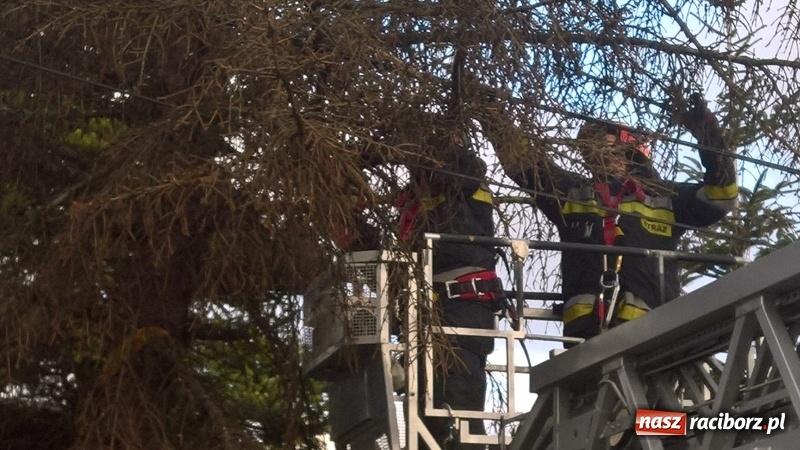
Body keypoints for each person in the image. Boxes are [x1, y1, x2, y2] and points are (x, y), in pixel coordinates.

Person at [484, 93, 737, 342]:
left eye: (611, 150)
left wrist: (708, 134)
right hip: (585, 334)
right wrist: (492, 115)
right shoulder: (572, 193)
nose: (601, 155)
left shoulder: (668, 197)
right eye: (593, 151)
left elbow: (722, 196)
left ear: (631, 152)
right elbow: (525, 164)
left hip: (651, 332)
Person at [392, 127, 501, 449]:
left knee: (458, 407)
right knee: (428, 418)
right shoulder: (419, 198)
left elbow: (460, 169)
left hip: (463, 310)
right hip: (426, 317)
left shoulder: (463, 176)